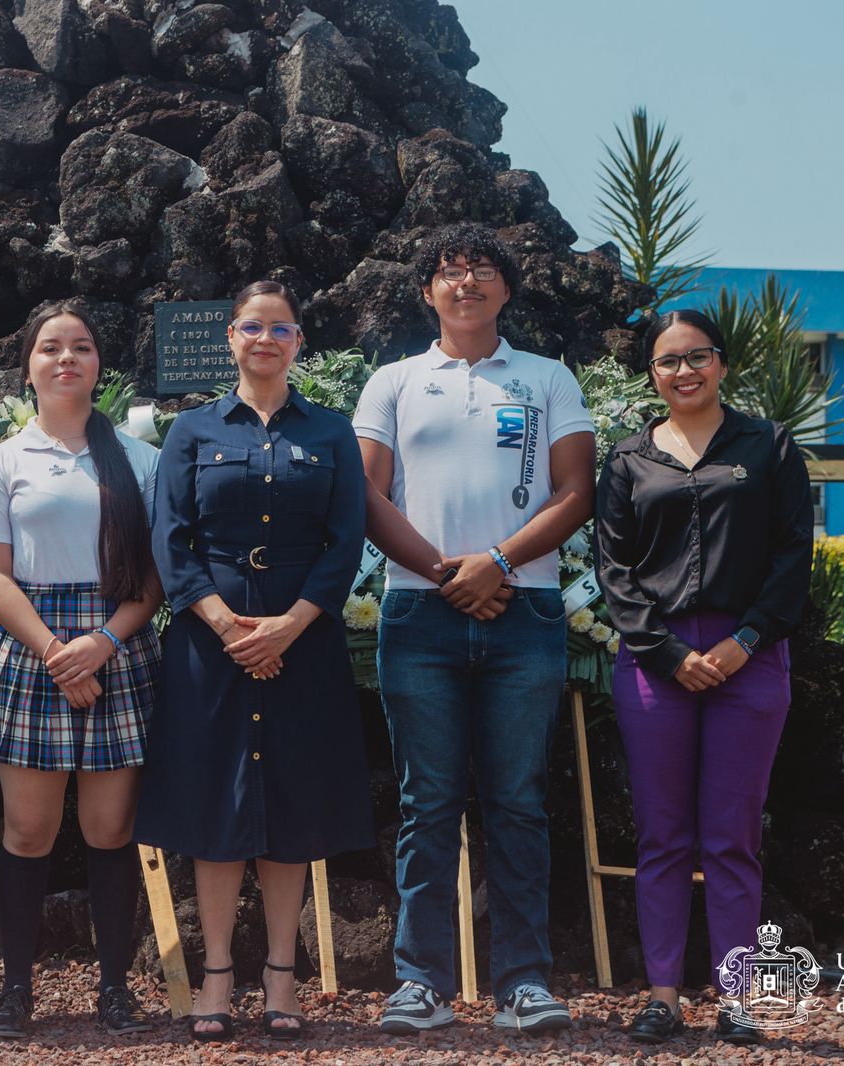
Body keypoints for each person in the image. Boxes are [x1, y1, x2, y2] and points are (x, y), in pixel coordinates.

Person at [353, 222, 595, 1034]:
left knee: (518, 802)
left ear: (506, 289)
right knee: (427, 803)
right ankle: (420, 983)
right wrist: (446, 574)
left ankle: (524, 982)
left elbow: (574, 492)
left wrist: (494, 562)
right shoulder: (393, 381)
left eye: (482, 270)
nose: (466, 283)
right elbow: (368, 494)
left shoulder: (547, 378)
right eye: (450, 272)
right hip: (419, 611)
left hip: (523, 611)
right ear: (427, 292)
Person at [136, 280, 373, 1043]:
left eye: (280, 328)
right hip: (211, 648)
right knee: (214, 807)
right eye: (251, 326)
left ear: (298, 341)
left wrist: (288, 627)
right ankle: (214, 977)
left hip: (303, 646)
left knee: (291, 804)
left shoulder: (332, 432)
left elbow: (347, 541)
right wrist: (228, 624)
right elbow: (170, 538)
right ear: (231, 339)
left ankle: (279, 973)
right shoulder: (193, 431)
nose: (265, 339)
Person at [594, 310, 812, 1046]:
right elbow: (614, 571)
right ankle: (662, 994)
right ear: (650, 374)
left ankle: (737, 993)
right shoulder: (627, 460)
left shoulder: (769, 446)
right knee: (662, 834)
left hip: (748, 657)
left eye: (697, 357)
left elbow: (793, 558)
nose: (683, 372)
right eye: (667, 362)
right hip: (656, 662)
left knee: (732, 835)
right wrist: (663, 651)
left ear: (721, 363)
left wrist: (744, 640)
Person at [0, 302, 164, 1039]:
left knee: (111, 829)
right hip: (30, 647)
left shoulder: (140, 460)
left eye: (80, 347)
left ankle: (115, 988)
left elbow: (154, 579)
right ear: (29, 366)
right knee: (30, 829)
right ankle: (15, 990)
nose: (66, 358)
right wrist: (55, 651)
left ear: (100, 364)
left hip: (118, 647)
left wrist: (101, 642)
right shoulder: (4, 459)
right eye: (50, 347)